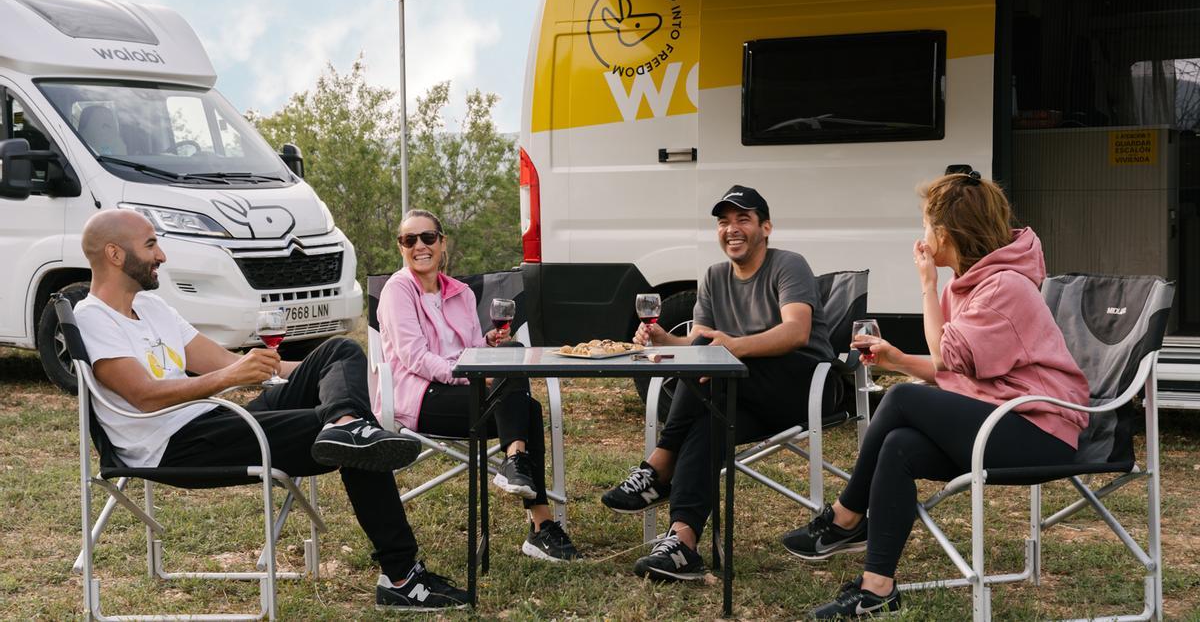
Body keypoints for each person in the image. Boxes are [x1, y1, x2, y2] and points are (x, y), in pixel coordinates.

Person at [73, 209, 468, 612]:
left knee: (340, 350)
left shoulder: (154, 309)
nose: (162, 256)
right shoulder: (93, 318)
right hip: (174, 445)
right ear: (115, 254)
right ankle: (401, 576)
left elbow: (222, 362)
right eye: (151, 244)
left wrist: (316, 372)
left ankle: (346, 423)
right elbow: (145, 396)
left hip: (211, 419)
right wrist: (233, 376)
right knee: (351, 442)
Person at [781, 169, 1091, 619]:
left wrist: (927, 286)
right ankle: (877, 588)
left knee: (903, 400)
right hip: (999, 420)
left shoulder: (1005, 287)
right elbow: (954, 365)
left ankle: (846, 517)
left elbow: (944, 351)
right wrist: (895, 359)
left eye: (926, 224)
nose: (922, 235)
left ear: (944, 233)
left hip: (1041, 431)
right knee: (898, 445)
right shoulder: (973, 284)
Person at [601, 185, 839, 582]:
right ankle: (683, 543)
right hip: (739, 391)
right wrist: (666, 340)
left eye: (743, 219)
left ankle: (659, 465)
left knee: (713, 368)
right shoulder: (713, 277)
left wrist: (732, 347)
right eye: (724, 221)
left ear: (766, 227)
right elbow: (699, 342)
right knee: (707, 421)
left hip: (807, 386)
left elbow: (797, 332)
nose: (732, 228)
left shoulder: (788, 265)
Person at [376, 208, 580, 562]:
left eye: (427, 238)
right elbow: (415, 358)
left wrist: (488, 345)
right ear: (401, 247)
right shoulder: (398, 291)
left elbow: (472, 350)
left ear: (442, 243)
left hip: (469, 389)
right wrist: (471, 373)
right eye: (410, 240)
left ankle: (516, 462)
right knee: (526, 409)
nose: (419, 246)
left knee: (512, 353)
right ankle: (539, 521)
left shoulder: (462, 294)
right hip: (420, 397)